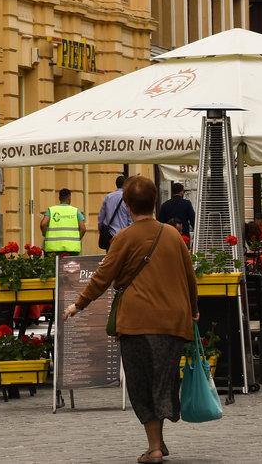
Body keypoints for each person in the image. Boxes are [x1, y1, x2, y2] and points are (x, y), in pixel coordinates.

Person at [61, 175, 197, 464]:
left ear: (126, 204)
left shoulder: (123, 238)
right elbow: (189, 278)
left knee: (141, 383)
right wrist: (193, 309)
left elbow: (102, 277)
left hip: (136, 322)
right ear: (156, 202)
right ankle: (157, 443)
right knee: (162, 380)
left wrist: (78, 304)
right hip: (172, 322)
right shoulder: (173, 235)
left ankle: (155, 448)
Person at [42, 188, 86, 255]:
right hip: (72, 248)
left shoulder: (51, 210)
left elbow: (43, 224)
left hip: (53, 248)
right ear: (69, 198)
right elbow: (83, 228)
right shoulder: (75, 211)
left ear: (59, 198)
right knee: (70, 265)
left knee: (53, 265)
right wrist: (77, 238)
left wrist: (45, 234)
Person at [99, 175, 131, 249]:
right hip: (124, 236)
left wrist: (102, 231)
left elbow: (101, 217)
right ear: (126, 184)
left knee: (110, 257)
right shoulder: (128, 197)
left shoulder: (108, 197)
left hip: (110, 235)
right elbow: (130, 219)